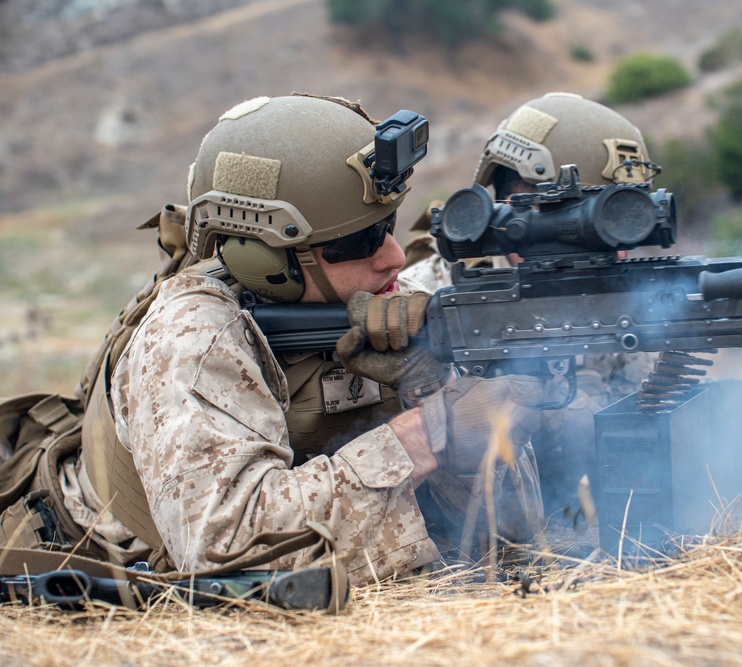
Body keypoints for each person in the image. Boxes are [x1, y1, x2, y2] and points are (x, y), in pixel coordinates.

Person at [45, 93, 549, 584]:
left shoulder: (393, 300)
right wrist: (424, 436)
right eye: (360, 241)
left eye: (388, 225)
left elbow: (517, 534)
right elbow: (225, 555)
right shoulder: (190, 337)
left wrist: (432, 387)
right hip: (82, 564)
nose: (394, 257)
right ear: (264, 259)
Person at [400, 92, 661, 519]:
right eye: (589, 222)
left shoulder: (614, 294)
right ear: (519, 210)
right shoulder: (427, 307)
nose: (617, 250)